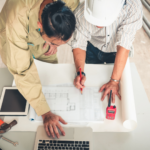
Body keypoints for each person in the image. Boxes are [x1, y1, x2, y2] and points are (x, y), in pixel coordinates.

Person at [0, 0, 79, 138]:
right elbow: (22, 70)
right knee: (23, 75)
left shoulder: (70, 2)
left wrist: (54, 42)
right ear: (39, 26)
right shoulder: (17, 20)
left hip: (43, 43)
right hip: (12, 37)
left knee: (51, 75)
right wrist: (45, 112)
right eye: (54, 42)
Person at [72, 0, 143, 102]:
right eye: (94, 21)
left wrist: (114, 81)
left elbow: (124, 43)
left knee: (120, 84)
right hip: (92, 47)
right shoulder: (81, 12)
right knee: (93, 78)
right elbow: (79, 43)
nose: (98, 26)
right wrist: (80, 72)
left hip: (117, 52)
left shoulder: (132, 7)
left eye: (102, 22)